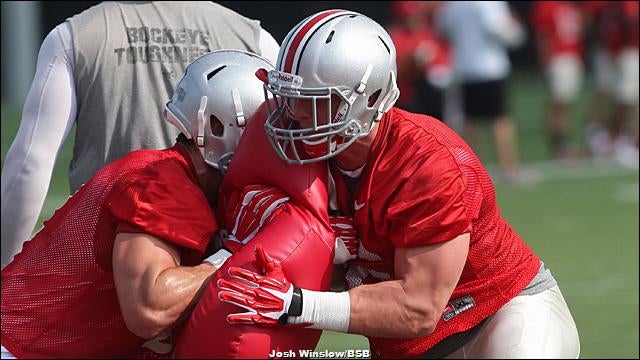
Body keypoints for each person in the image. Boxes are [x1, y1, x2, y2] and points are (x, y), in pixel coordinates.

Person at [216, 10, 581, 358]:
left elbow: (419, 308)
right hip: (404, 347)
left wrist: (296, 304)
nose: (294, 114)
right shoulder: (294, 142)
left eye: (316, 101)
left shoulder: (426, 163)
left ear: (370, 100)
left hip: (497, 316)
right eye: (290, 96)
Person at [0, 50, 274, 359]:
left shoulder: (184, 182)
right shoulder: (162, 183)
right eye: (265, 132)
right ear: (218, 127)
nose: (277, 146)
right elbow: (149, 308)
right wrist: (234, 256)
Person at [1, 1, 281, 269]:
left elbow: (30, 163)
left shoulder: (76, 35)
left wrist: (5, 265)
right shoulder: (254, 38)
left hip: (104, 268)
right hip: (216, 267)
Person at [435, 1, 526, 182]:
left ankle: (475, 171)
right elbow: (502, 31)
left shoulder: (451, 5)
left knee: (471, 122)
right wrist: (515, 27)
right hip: (490, 68)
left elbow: (443, 30)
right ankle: (509, 168)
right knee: (500, 119)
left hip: (464, 67)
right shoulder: (488, 4)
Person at [530, 1, 585, 159]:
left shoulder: (571, 5)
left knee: (565, 103)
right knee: (558, 103)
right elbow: (543, 32)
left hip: (572, 55)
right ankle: (558, 145)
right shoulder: (547, 5)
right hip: (558, 57)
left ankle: (562, 143)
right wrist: (546, 58)